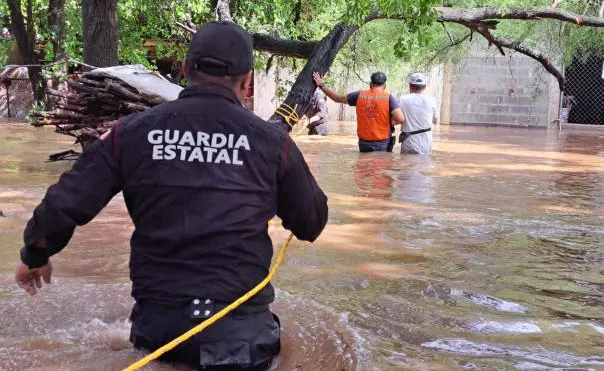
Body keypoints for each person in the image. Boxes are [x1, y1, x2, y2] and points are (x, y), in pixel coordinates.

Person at [14, 21, 328, 371]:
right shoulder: (274, 143)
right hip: (243, 340)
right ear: (247, 81)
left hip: (159, 335)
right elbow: (312, 223)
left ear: (183, 69)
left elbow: (64, 203)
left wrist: (35, 254)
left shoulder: (129, 133)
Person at [313, 71, 404, 152]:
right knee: (380, 169)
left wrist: (321, 85)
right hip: (382, 144)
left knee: (363, 169)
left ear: (370, 84)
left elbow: (337, 98)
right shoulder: (388, 98)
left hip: (364, 143)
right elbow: (400, 118)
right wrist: (387, 121)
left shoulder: (359, 95)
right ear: (385, 86)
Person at [399, 72, 438, 155]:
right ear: (424, 87)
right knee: (424, 166)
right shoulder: (432, 100)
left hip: (409, 141)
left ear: (410, 85)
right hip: (426, 142)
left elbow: (397, 118)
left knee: (406, 166)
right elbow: (435, 121)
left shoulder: (403, 99)